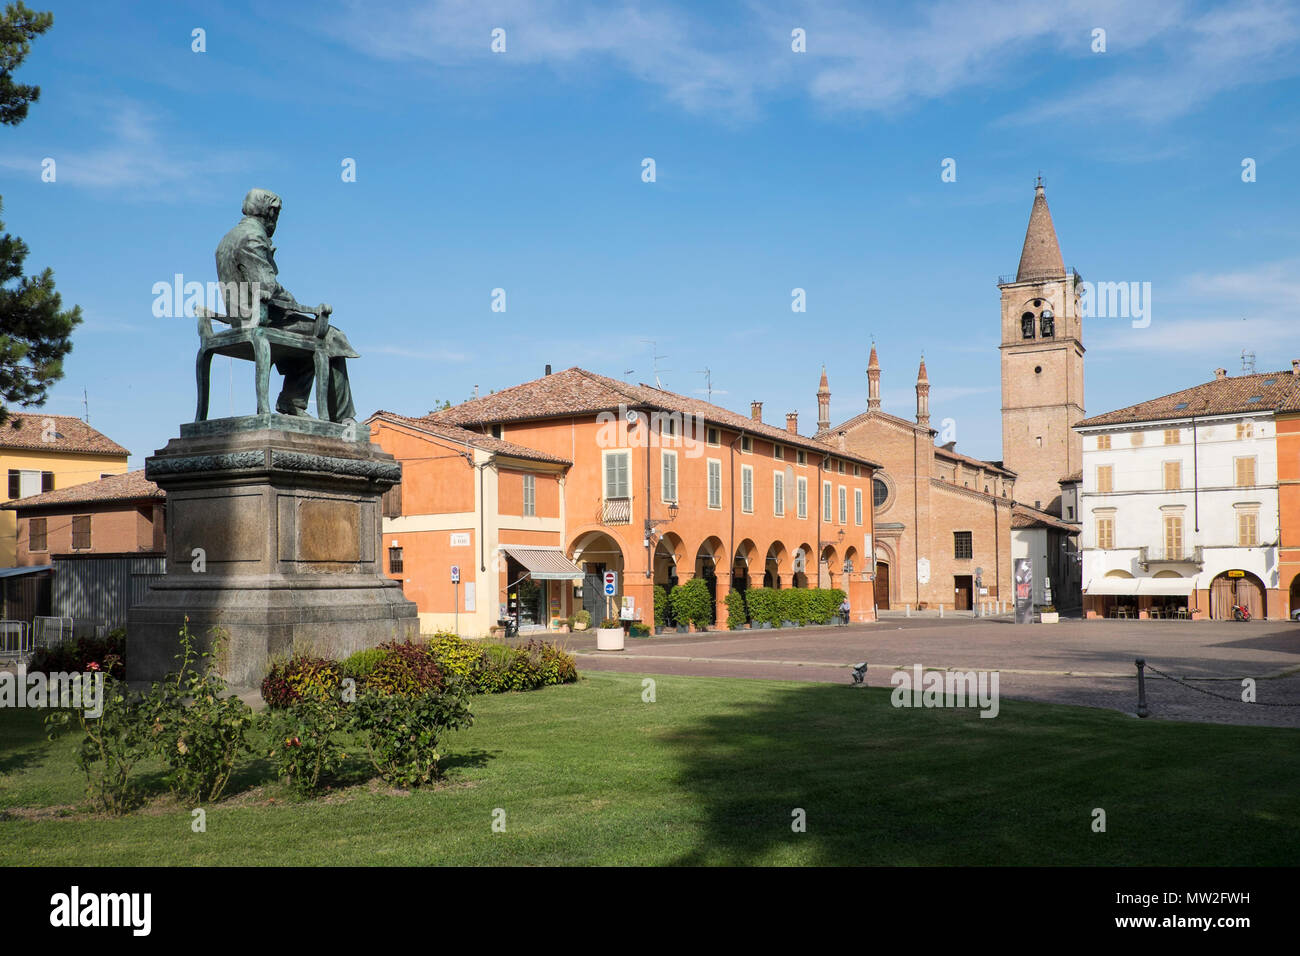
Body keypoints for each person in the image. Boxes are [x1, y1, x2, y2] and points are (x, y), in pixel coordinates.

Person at [215, 188, 359, 424]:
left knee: (308, 335)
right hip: (260, 318)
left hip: (241, 316)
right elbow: (267, 286)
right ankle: (343, 418)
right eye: (277, 214)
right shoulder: (252, 237)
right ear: (270, 212)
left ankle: (292, 401)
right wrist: (299, 305)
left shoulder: (228, 238)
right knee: (331, 336)